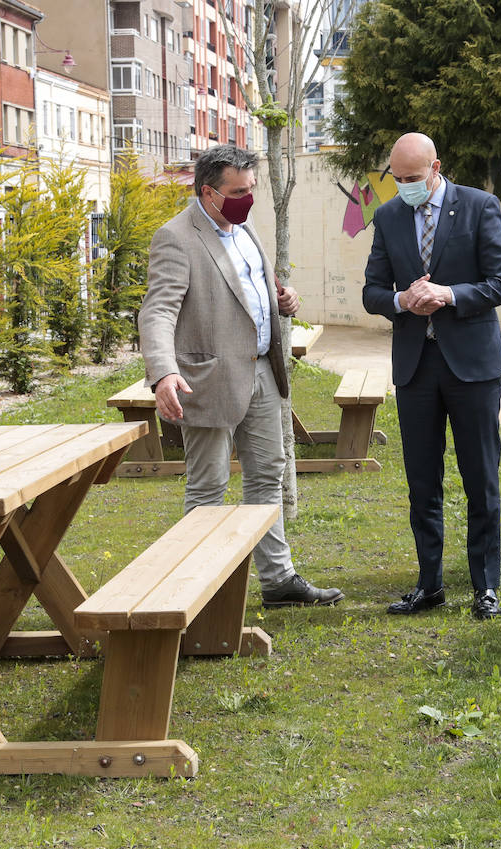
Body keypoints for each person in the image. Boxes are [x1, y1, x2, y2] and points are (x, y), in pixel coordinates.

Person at [139, 145, 343, 608]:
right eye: (238, 191)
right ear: (209, 192)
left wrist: (282, 300)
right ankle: (198, 590)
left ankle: (279, 580)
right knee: (208, 487)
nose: (247, 199)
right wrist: (163, 373)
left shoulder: (244, 228)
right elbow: (158, 311)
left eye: (250, 190)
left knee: (267, 476)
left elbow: (247, 293)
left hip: (262, 375)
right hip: (207, 382)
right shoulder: (175, 237)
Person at [361, 132, 501, 620]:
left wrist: (449, 294)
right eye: (397, 179)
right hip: (416, 367)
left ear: (436, 168)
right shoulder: (388, 216)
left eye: (412, 178)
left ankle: (485, 585)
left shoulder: (479, 206)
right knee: (422, 481)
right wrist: (399, 301)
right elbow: (371, 291)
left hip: (471, 366)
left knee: (480, 478)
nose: (404, 186)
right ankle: (429, 584)